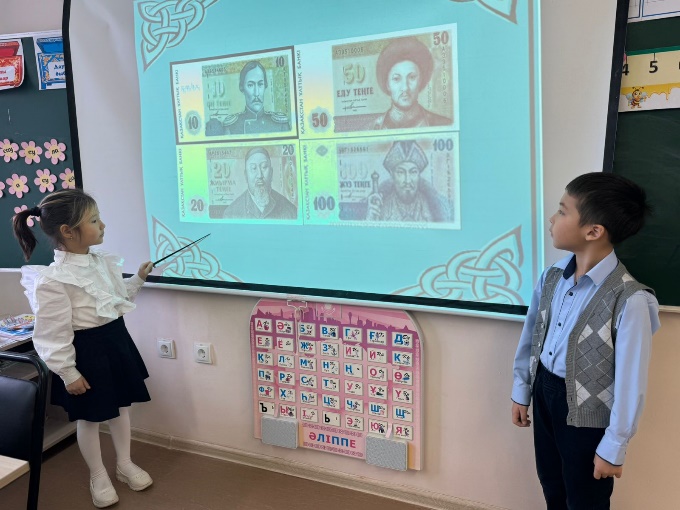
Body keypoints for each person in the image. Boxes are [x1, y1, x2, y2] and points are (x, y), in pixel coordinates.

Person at [511, 173, 660, 509]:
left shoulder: (630, 300)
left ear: (594, 231)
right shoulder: (552, 276)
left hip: (588, 414)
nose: (552, 219)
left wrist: (614, 446)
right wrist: (522, 388)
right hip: (545, 392)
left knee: (585, 499)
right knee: (552, 484)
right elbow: (532, 334)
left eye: (563, 211)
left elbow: (630, 381)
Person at [12, 189, 155, 509]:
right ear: (68, 231)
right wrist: (68, 372)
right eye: (93, 220)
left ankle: (124, 463)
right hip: (86, 353)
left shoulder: (102, 262)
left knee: (121, 408)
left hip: (116, 342)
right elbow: (51, 333)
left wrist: (138, 279)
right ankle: (98, 474)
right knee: (89, 418)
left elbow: (114, 300)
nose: (102, 225)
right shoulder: (54, 279)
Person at [369, 37, 452, 130]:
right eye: (396, 79)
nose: (405, 88)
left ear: (420, 81)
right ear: (388, 85)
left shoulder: (442, 124)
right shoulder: (372, 128)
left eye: (412, 77)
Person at [366, 140, 451, 222]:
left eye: (413, 172)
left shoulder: (429, 208)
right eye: (401, 172)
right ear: (392, 175)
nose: (407, 181)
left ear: (419, 175)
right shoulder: (383, 208)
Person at [205, 60, 290, 136]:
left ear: (265, 86)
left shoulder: (280, 124)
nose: (256, 93)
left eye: (260, 84)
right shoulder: (231, 126)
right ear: (242, 88)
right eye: (250, 85)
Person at [223, 147, 297, 219]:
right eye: (253, 168)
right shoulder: (231, 213)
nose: (259, 175)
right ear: (246, 175)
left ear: (271, 173)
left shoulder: (290, 211)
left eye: (264, 167)